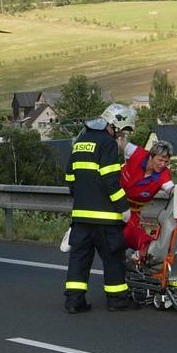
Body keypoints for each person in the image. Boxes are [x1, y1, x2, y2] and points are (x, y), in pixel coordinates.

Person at [63, 103, 136, 313]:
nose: (121, 135)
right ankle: (117, 300)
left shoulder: (81, 141)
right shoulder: (107, 144)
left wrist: (83, 198)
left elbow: (69, 176)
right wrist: (123, 207)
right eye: (122, 130)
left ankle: (74, 301)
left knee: (79, 259)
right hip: (106, 218)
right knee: (113, 259)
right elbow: (111, 181)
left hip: (81, 217)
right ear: (114, 125)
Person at [119, 139, 175, 253]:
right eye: (160, 160)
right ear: (151, 156)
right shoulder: (137, 153)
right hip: (110, 202)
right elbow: (120, 142)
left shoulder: (164, 174)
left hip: (132, 213)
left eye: (166, 161)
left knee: (128, 235)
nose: (162, 164)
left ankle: (144, 256)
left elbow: (172, 190)